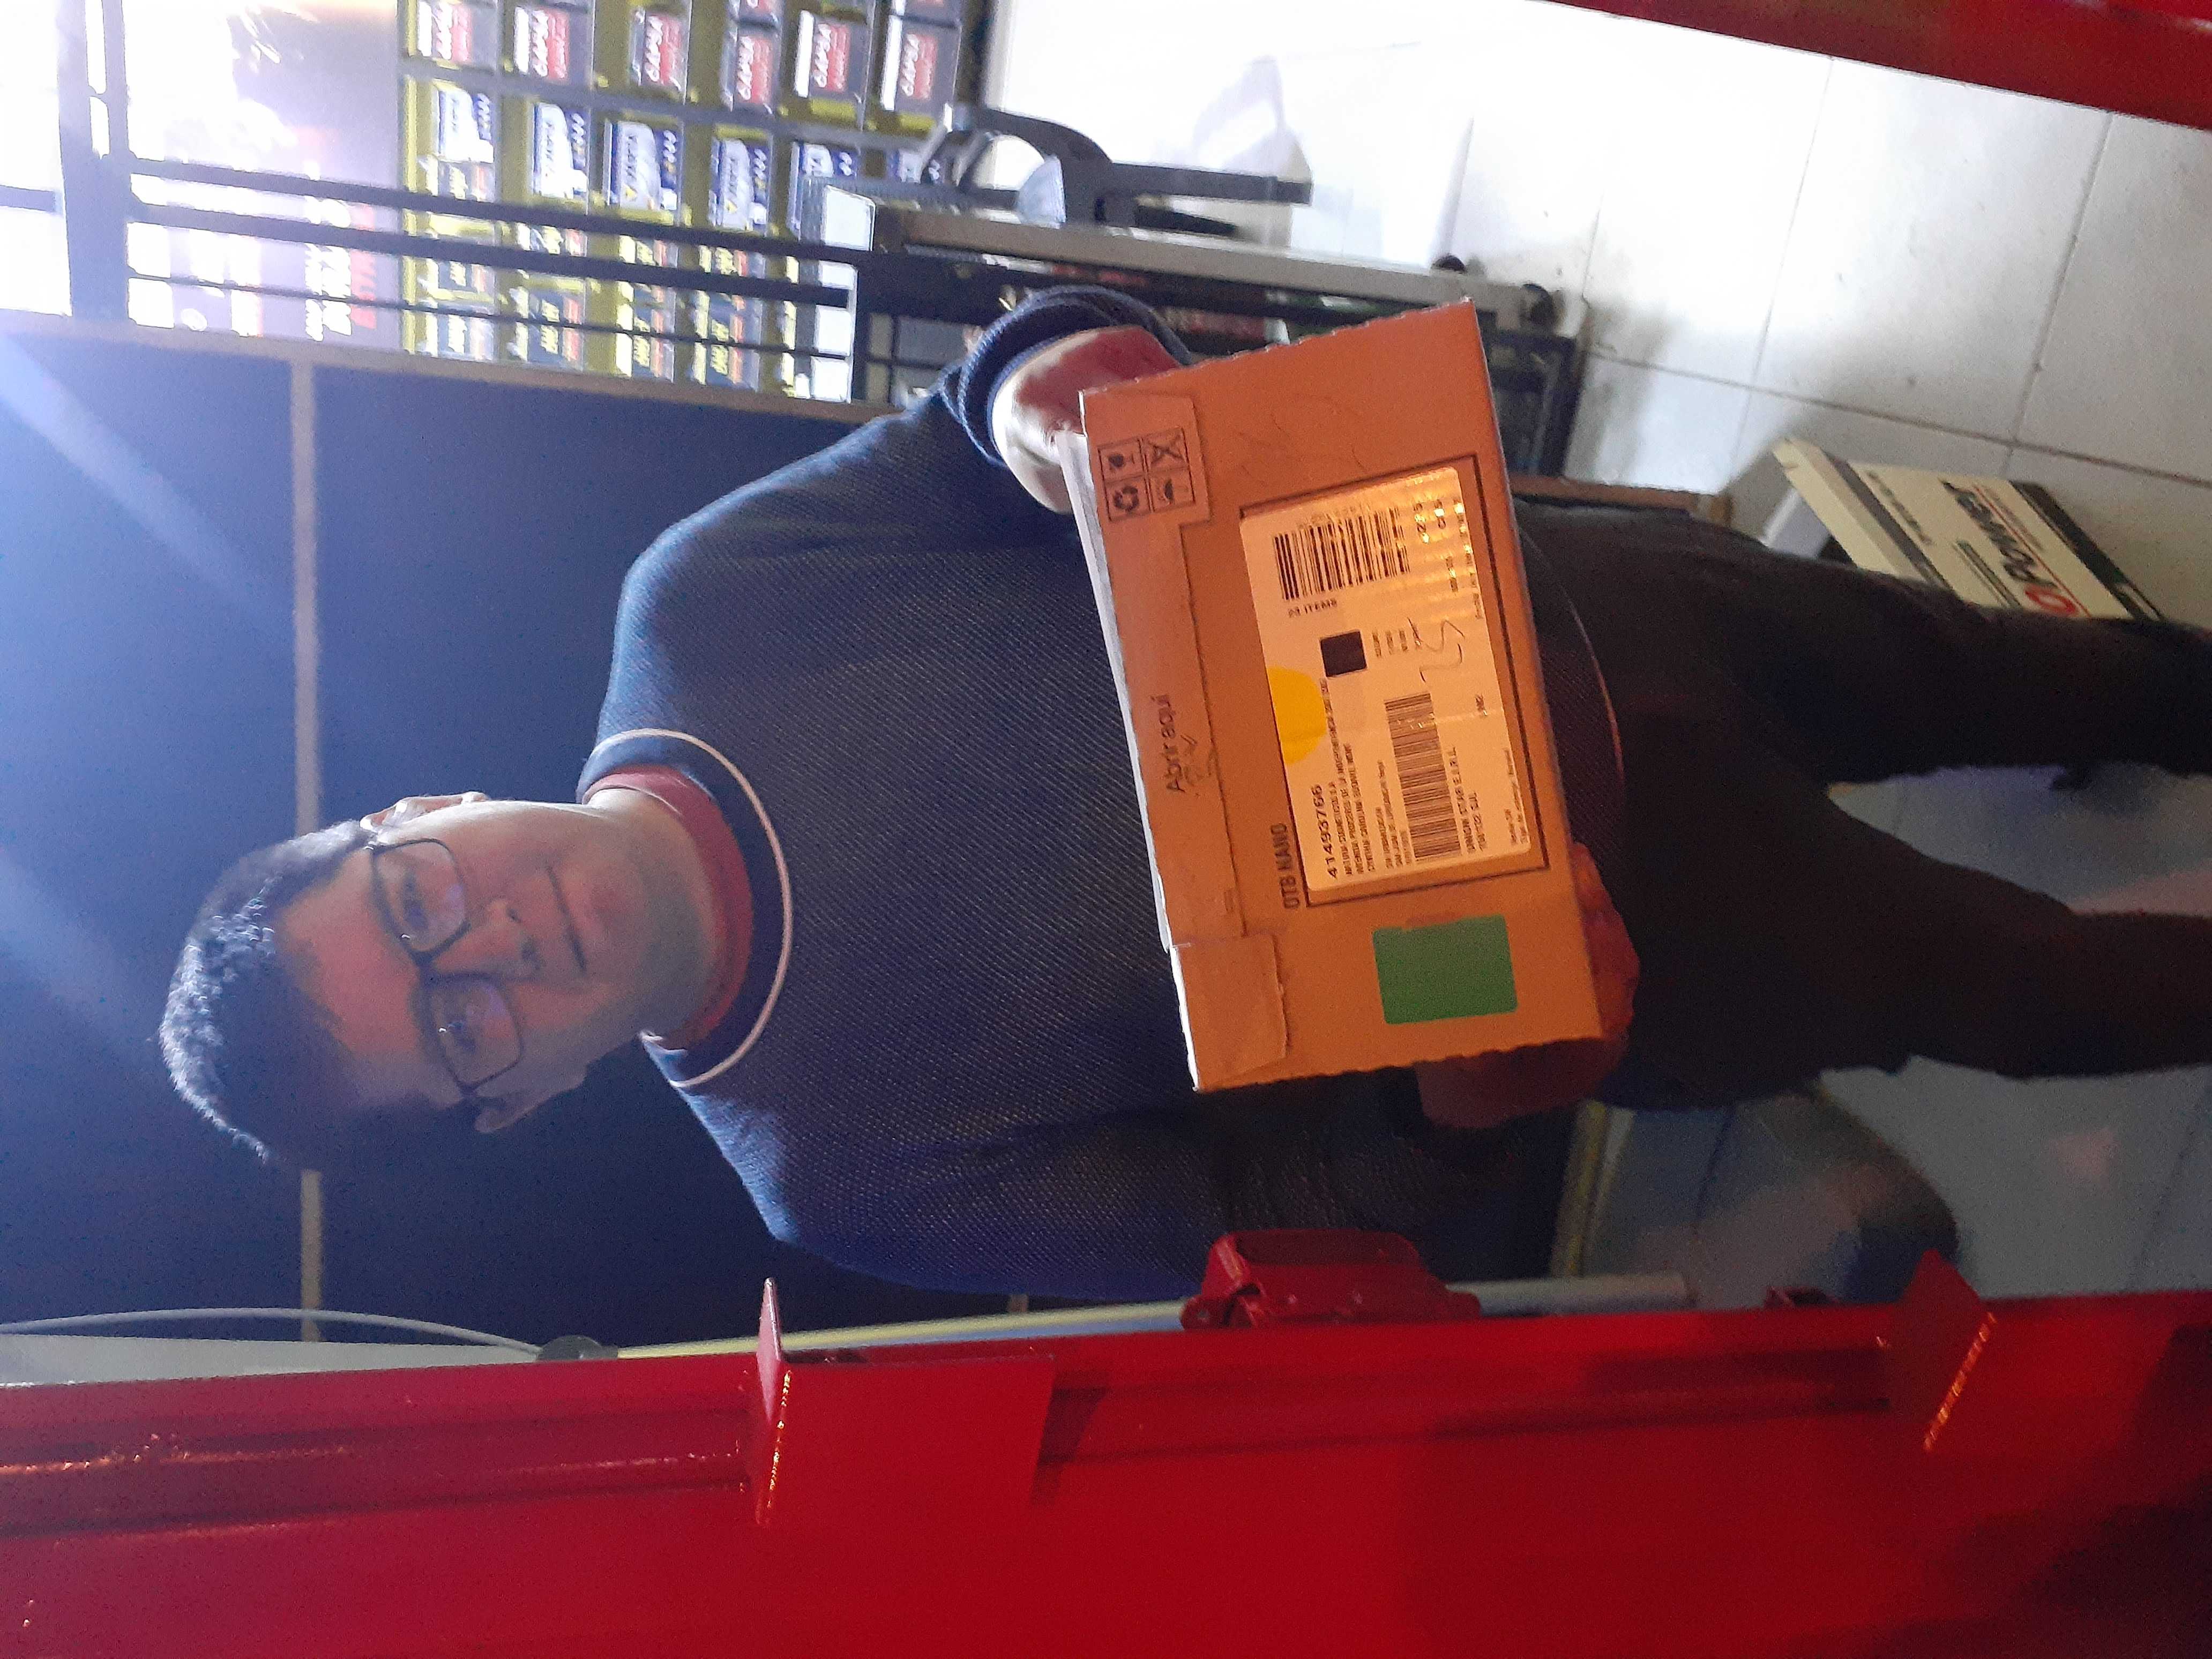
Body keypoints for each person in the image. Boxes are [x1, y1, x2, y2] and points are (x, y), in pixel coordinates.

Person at [163, 287, 2212, 1300]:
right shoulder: (833, 1165)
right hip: (1630, 944)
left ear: (415, 813)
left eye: (414, 903)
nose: (494, 948)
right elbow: (1276, 1223)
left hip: (1565, 605)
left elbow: (981, 410)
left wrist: (1051, 403)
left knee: (2013, 666)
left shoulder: (698, 604)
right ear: (515, 1103)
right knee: (2031, 992)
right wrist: (1467, 1106)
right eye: (457, 1028)